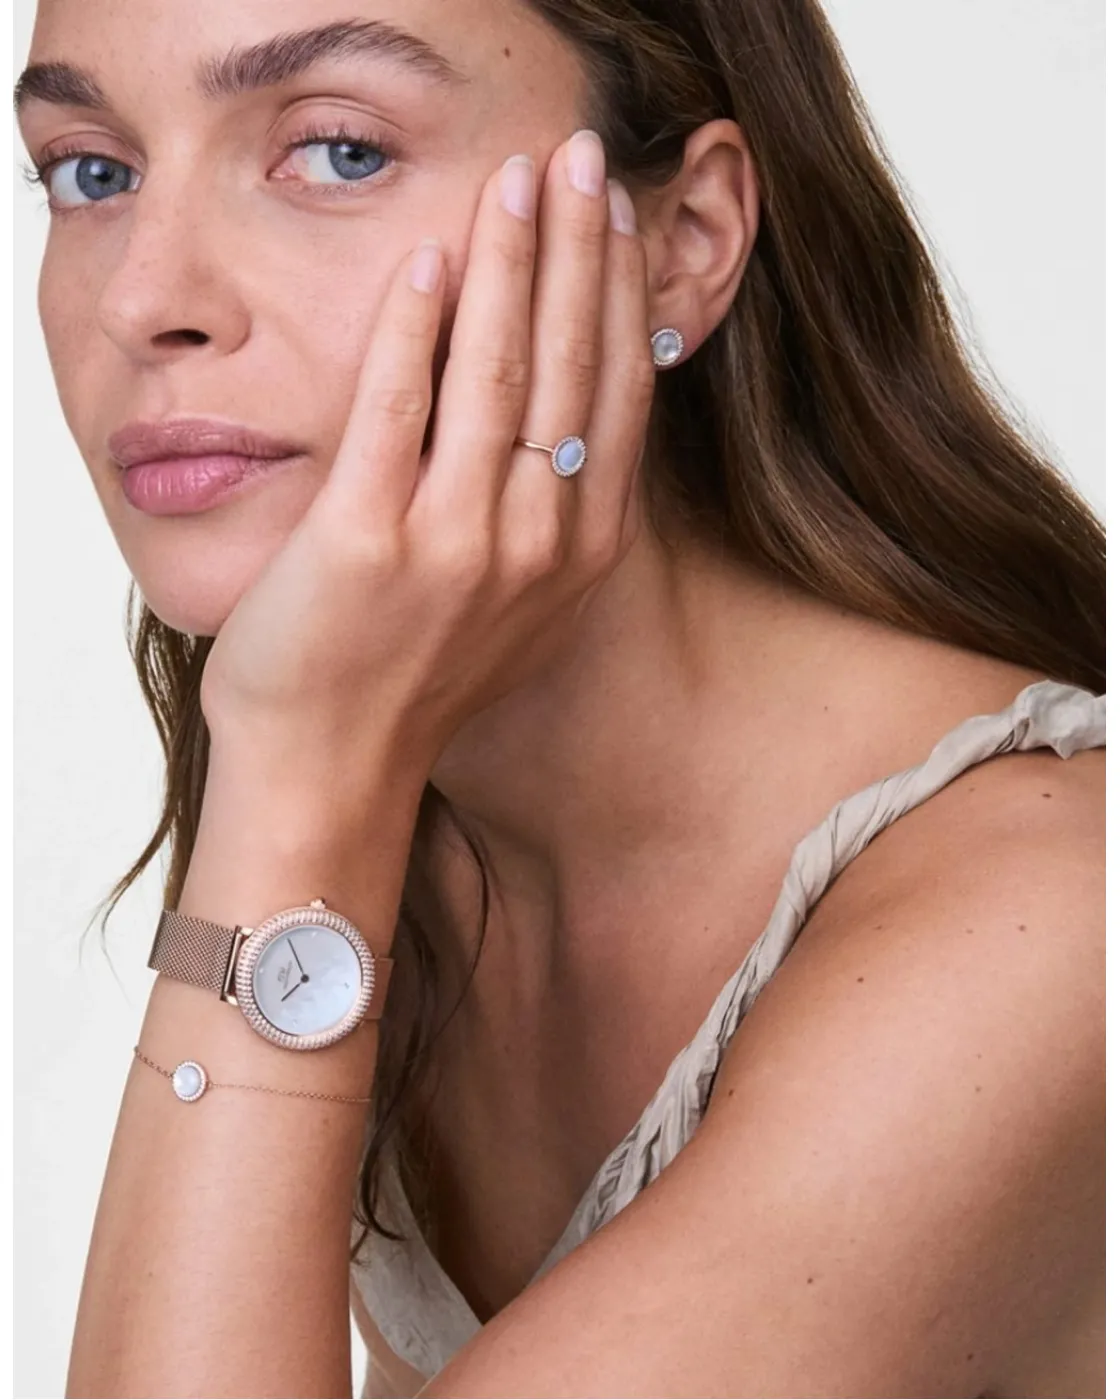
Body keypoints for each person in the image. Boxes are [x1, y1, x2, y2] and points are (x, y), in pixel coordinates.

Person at [16, 0, 1104, 1395]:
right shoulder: (410, 807)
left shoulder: (1048, 925)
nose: (142, 297)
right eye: (92, 170)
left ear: (683, 242)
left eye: (339, 151)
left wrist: (297, 774)